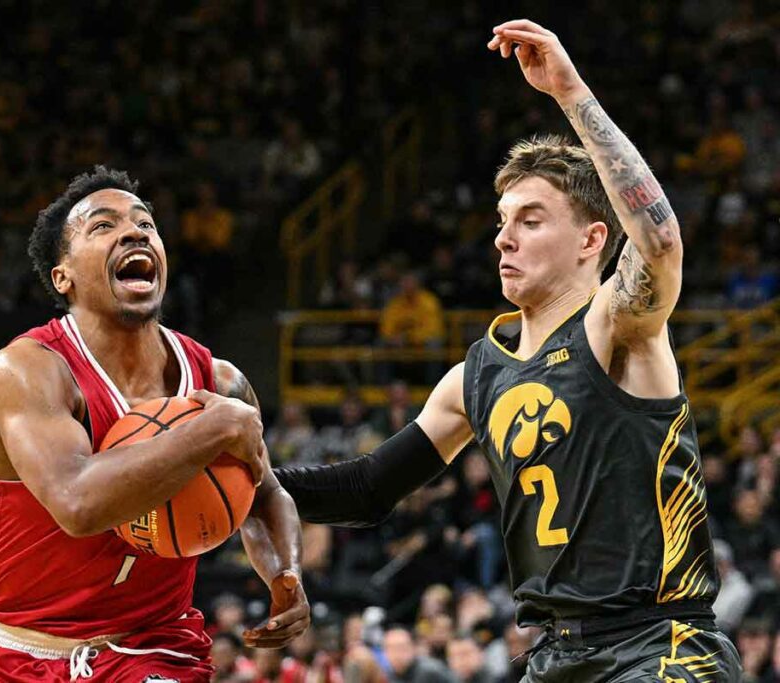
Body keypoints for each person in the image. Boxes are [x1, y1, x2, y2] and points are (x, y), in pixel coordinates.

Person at [274, 19, 742, 680]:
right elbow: (369, 487)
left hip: (658, 644)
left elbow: (661, 242)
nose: (503, 239)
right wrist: (243, 483)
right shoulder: (476, 374)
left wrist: (569, 91)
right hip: (553, 654)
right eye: (501, 222)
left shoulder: (618, 325)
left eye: (530, 220)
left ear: (590, 239)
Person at [0, 167, 308, 682]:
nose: (135, 232)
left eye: (146, 223)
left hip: (153, 650)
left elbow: (263, 494)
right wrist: (210, 431)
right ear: (62, 276)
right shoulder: (29, 370)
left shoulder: (219, 381)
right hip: (18, 656)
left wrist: (285, 571)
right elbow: (77, 503)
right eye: (102, 226)